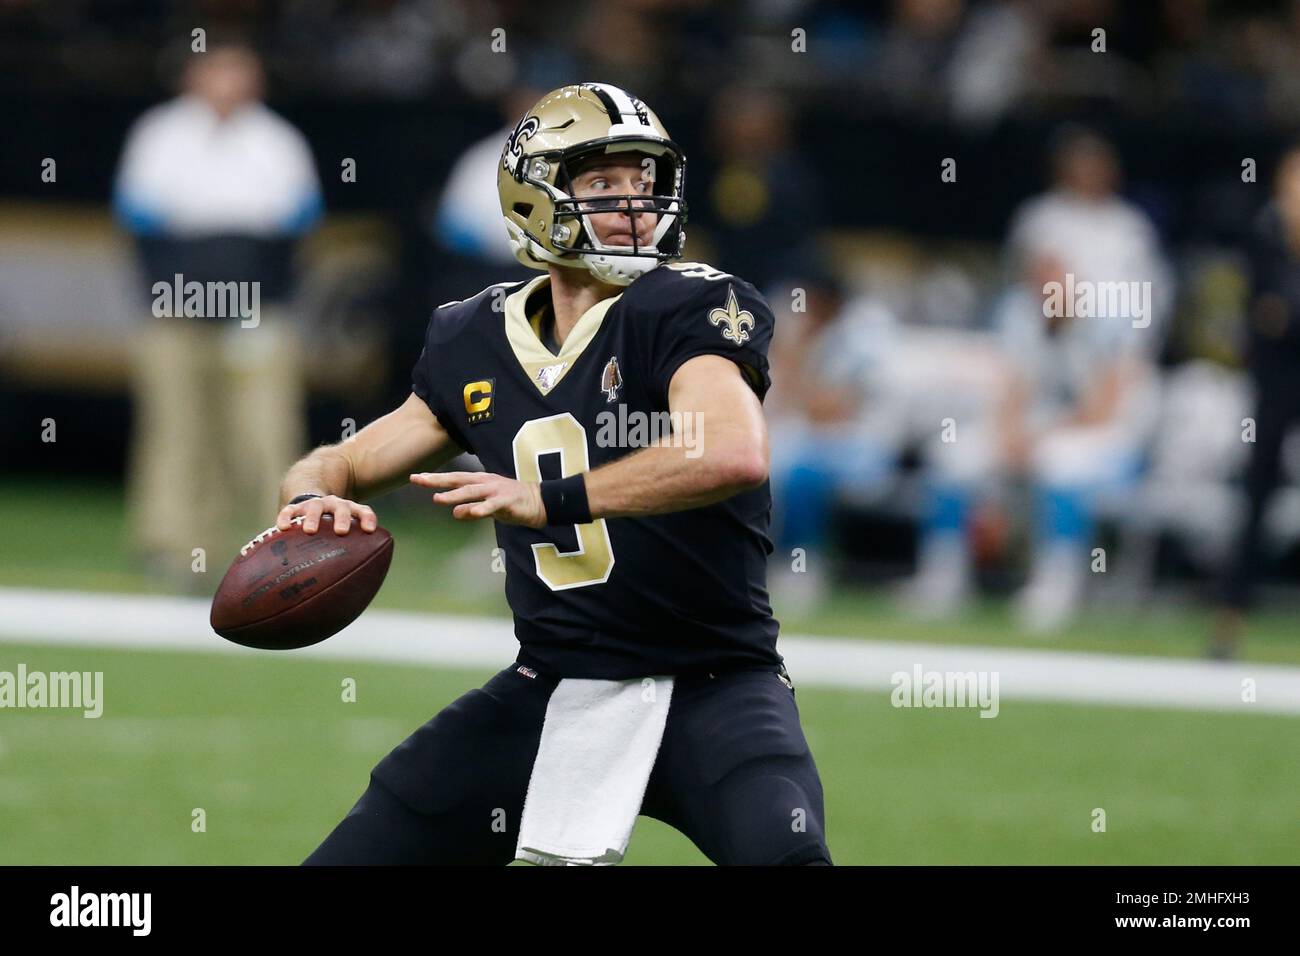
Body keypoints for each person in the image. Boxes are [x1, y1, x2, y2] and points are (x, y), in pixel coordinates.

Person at [277, 84, 831, 865]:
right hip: (552, 680)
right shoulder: (472, 334)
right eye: (603, 184)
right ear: (533, 197)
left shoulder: (684, 306)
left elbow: (730, 450)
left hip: (716, 685)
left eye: (645, 184)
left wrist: (551, 499)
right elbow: (341, 459)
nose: (633, 206)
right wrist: (309, 499)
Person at [115, 42, 322, 588]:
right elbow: (138, 219)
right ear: (193, 77)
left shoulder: (277, 142)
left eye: (239, 73)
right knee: (177, 427)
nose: (228, 85)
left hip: (255, 311)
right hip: (179, 306)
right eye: (217, 72)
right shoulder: (160, 135)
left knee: (267, 430)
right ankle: (175, 545)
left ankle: (281, 542)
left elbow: (298, 226)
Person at [1211, 146, 1300, 659]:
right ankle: (1229, 620)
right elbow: (1267, 315)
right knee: (1256, 498)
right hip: (1276, 387)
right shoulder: (1265, 238)